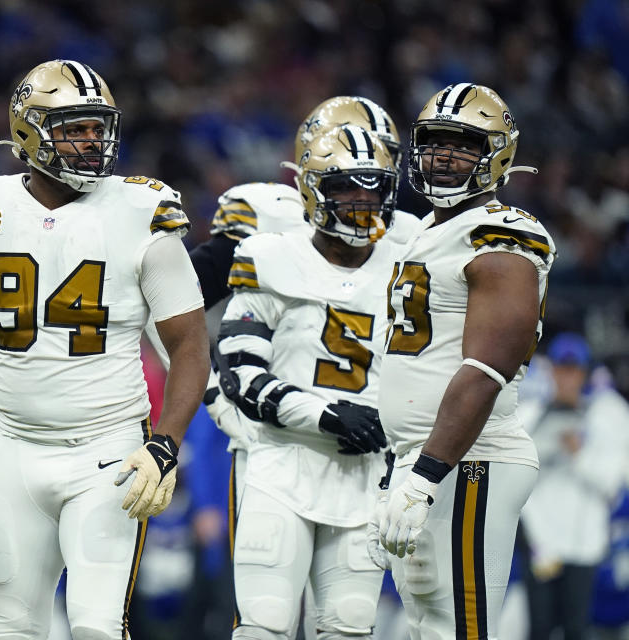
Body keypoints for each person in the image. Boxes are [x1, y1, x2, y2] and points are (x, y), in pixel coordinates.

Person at [0, 59, 209, 640]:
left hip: (110, 451)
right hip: (11, 451)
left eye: (98, 127)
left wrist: (164, 444)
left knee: (95, 628)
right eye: (75, 128)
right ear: (28, 131)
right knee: (11, 628)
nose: (93, 141)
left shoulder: (142, 213)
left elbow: (189, 345)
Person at [375, 83, 556, 639]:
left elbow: (487, 370)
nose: (443, 155)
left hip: (470, 460)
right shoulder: (429, 230)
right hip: (429, 459)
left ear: (497, 154)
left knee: (462, 631)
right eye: (434, 142)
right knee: (431, 627)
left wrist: (424, 476)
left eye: (463, 144)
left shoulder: (500, 234)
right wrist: (396, 472)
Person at [217, 124, 398, 640]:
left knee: (349, 627)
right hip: (282, 466)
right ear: (313, 189)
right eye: (345, 186)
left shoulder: (407, 265)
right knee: (265, 625)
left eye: (374, 187)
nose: (363, 201)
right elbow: (240, 373)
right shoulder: (272, 254)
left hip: (365, 475)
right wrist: (323, 414)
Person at [518, 333, 629, 640]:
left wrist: (579, 454)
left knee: (576, 629)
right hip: (543, 544)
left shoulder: (608, 415)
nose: (567, 377)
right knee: (539, 628)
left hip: (584, 545)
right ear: (550, 370)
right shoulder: (528, 415)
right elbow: (514, 477)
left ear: (584, 373)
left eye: (574, 369)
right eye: (561, 368)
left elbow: (612, 485)